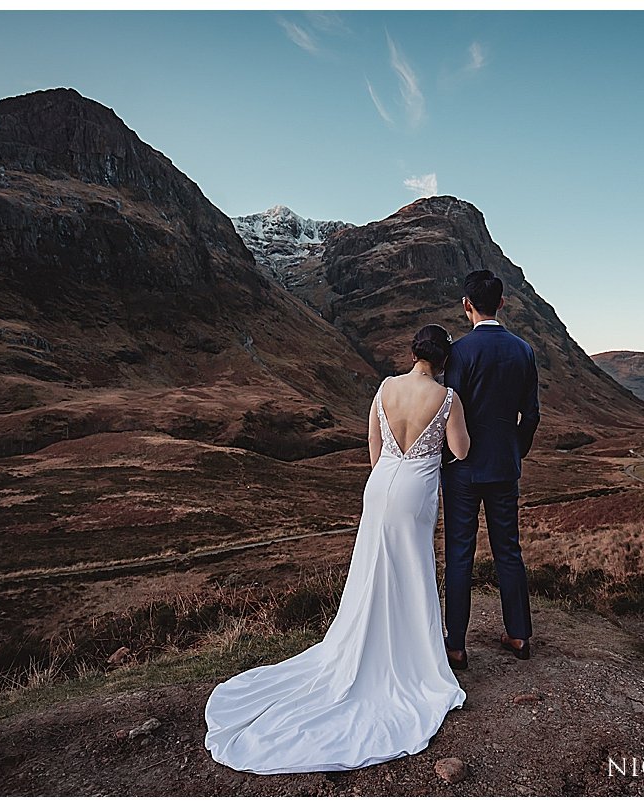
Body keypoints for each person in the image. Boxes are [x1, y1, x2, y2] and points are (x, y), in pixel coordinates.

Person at [204, 324, 471, 774]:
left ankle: (364, 643)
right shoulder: (446, 399)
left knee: (372, 568)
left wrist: (388, 472)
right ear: (444, 360)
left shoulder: (385, 388)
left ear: (413, 353)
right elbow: (460, 450)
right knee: (412, 569)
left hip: (380, 483)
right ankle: (414, 655)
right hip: (416, 489)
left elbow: (373, 444)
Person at [441, 269, 540, 670]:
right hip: (505, 466)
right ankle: (518, 634)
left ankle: (456, 645)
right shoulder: (524, 350)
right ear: (501, 302)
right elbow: (531, 414)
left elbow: (449, 409)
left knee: (460, 553)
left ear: (467, 305)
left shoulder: (460, 353)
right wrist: (516, 451)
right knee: (509, 551)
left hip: (462, 470)